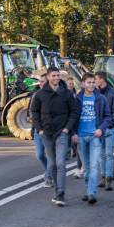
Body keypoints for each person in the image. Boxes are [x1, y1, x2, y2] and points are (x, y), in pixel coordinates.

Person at [30, 66, 79, 207]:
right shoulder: (40, 94)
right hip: (46, 133)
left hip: (62, 133)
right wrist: (39, 129)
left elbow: (74, 111)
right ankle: (57, 191)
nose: (56, 78)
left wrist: (67, 128)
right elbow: (34, 113)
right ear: (48, 77)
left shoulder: (66, 94)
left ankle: (61, 194)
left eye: (58, 75)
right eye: (53, 76)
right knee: (51, 164)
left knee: (61, 163)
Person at [73, 73, 111, 205]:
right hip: (81, 137)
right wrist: (73, 133)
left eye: (93, 82)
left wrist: (101, 128)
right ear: (83, 84)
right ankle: (89, 189)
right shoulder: (77, 99)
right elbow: (72, 117)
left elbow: (107, 116)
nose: (91, 85)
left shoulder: (101, 98)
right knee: (87, 167)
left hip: (95, 136)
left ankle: (91, 193)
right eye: (89, 82)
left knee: (94, 166)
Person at [95, 71, 114, 190]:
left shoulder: (113, 93)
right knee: (101, 155)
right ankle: (103, 176)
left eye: (96, 79)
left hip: (110, 128)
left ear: (102, 79)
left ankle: (109, 178)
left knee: (109, 154)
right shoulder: (96, 93)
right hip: (99, 129)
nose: (95, 81)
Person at [31, 73, 53, 188]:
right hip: (38, 130)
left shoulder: (52, 95)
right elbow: (32, 113)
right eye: (40, 81)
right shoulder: (35, 95)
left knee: (50, 155)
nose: (41, 83)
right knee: (39, 154)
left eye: (43, 81)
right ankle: (49, 170)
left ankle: (49, 177)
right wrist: (35, 128)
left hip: (49, 130)